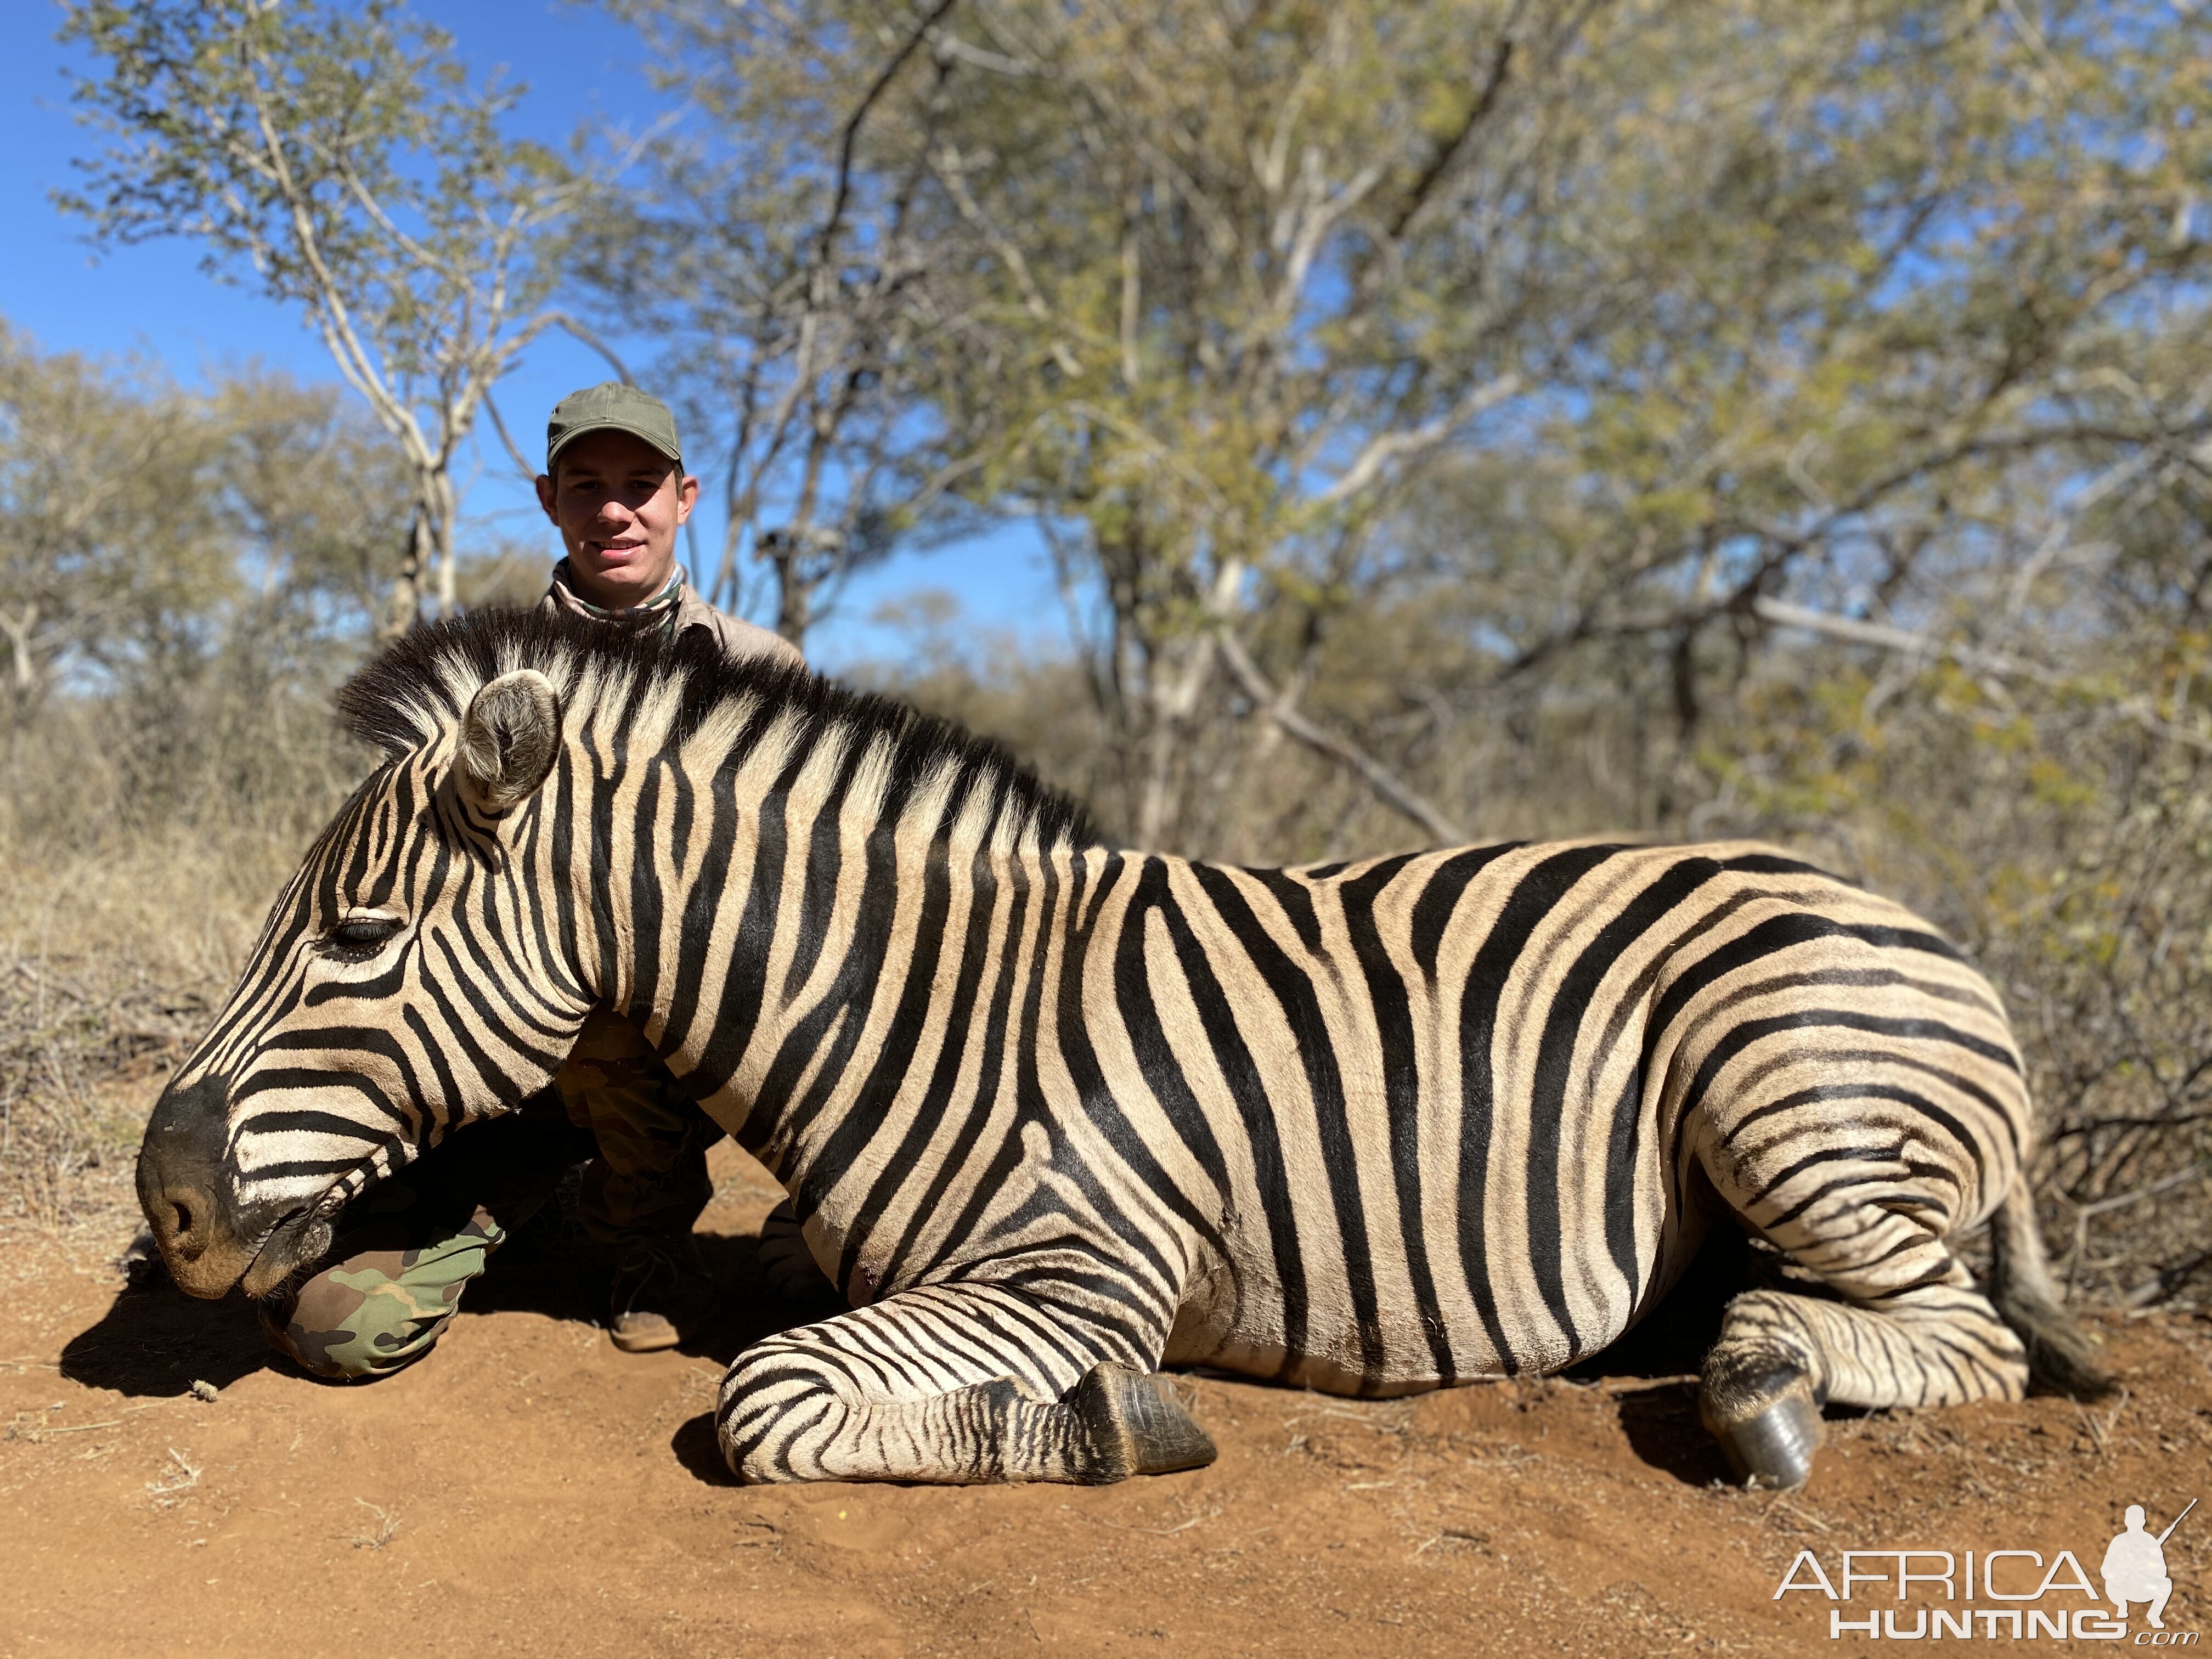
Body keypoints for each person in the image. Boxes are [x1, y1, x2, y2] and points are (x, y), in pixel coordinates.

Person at [257, 383, 806, 1378]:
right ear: (549, 497)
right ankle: (510, 1203)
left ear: (685, 497)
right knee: (335, 1315)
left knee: (831, 1252)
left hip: (687, 1045)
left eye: (640, 486)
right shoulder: (474, 674)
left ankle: (648, 1247)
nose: (614, 511)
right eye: (587, 487)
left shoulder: (763, 669)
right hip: (499, 1049)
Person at [2103, 1504, 2176, 1629]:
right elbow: (2106, 1569)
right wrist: (2120, 1573)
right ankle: (2122, 1606)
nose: (2134, 1523)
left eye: (2137, 1519)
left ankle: (2154, 1616)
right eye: (2132, 1519)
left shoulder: (2151, 1542)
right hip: (2122, 1588)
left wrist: (2147, 1568)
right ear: (2126, 1521)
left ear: (2144, 1522)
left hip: (2144, 1588)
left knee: (2166, 1584)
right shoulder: (2119, 1541)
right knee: (2110, 1582)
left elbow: (2162, 1570)